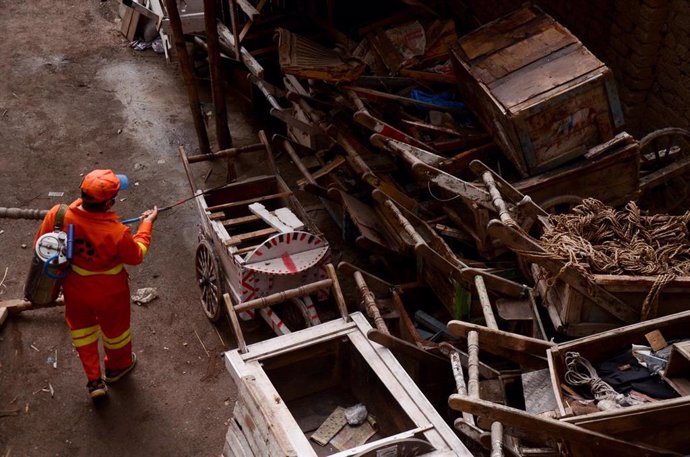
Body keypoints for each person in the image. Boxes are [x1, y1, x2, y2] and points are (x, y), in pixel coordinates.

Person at [33, 169, 158, 400]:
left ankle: (94, 381)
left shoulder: (58, 214)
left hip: (75, 287)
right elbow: (137, 255)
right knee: (116, 332)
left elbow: (41, 246)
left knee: (83, 332)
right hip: (110, 291)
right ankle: (117, 368)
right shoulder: (118, 232)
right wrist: (146, 226)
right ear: (109, 202)